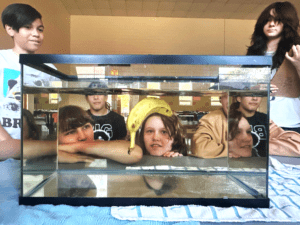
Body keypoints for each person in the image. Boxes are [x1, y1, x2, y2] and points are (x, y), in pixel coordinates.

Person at [0, 4, 59, 160]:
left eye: (40, 29)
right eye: (27, 28)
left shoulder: (49, 68)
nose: (36, 34)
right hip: (4, 151)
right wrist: (10, 145)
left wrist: (40, 147)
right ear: (10, 29)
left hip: (37, 151)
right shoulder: (1, 60)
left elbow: (55, 109)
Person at [246, 1, 300, 134]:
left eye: (278, 20)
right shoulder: (253, 54)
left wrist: (298, 66)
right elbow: (234, 86)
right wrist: (256, 88)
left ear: (287, 23)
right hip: (258, 122)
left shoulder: (296, 52)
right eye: (267, 20)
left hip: (290, 123)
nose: (271, 24)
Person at [58, 105, 143, 164]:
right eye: (71, 132)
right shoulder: (53, 154)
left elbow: (135, 153)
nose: (83, 136)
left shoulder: (99, 146)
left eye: (86, 127)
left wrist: (78, 146)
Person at [192, 92, 228, 158]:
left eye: (234, 96)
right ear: (220, 100)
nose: (230, 101)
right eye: (226, 96)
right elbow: (201, 149)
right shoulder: (210, 119)